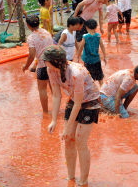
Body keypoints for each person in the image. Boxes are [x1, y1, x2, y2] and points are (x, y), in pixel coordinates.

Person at [45, 45, 101, 186]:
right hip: (73, 99)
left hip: (90, 102)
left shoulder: (76, 73)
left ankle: (83, 181)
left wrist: (67, 127)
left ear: (57, 62)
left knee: (80, 141)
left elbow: (79, 103)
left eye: (46, 61)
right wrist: (53, 121)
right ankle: (71, 177)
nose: (44, 63)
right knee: (68, 139)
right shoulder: (50, 70)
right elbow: (56, 95)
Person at [22, 15, 53, 112]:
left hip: (43, 66)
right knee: (54, 88)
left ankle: (45, 112)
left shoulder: (31, 37)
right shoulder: (46, 32)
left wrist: (26, 66)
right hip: (53, 63)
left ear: (28, 25)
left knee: (42, 89)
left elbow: (32, 55)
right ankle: (58, 108)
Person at [76, 19, 107, 86]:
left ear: (86, 27)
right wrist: (105, 56)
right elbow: (102, 47)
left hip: (88, 61)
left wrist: (77, 57)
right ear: (96, 27)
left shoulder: (85, 37)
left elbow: (81, 48)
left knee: (89, 78)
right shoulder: (98, 36)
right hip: (97, 60)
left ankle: (93, 93)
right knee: (100, 77)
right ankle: (102, 91)